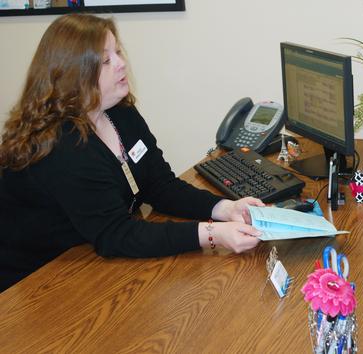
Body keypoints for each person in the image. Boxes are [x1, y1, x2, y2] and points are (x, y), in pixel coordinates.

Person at [0, 13, 264, 292]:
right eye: (105, 60)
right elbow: (116, 234)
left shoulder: (119, 111)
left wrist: (226, 209)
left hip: (87, 256)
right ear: (73, 75)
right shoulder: (62, 144)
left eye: (117, 52)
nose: (121, 63)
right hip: (37, 282)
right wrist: (214, 235)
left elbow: (160, 185)